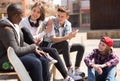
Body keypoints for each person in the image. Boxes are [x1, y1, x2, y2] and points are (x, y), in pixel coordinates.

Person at [19, 2, 74, 81]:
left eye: (38, 12)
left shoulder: (41, 22)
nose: (35, 14)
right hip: (28, 48)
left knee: (53, 51)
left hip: (38, 47)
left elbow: (44, 35)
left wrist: (42, 36)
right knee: (50, 53)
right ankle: (66, 76)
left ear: (41, 14)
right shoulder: (24, 22)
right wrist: (44, 33)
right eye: (34, 10)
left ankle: (66, 77)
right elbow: (29, 38)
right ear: (31, 10)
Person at [0, 3, 50, 81]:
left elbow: (21, 42)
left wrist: (35, 49)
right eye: (21, 15)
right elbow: (15, 51)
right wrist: (33, 47)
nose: (22, 18)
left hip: (14, 57)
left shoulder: (14, 24)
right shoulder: (6, 28)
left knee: (43, 59)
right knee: (35, 63)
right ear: (16, 15)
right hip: (6, 61)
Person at [42, 6, 85, 80]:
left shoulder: (68, 24)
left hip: (63, 46)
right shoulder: (52, 21)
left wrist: (68, 38)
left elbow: (68, 40)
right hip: (51, 47)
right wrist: (68, 37)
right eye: (58, 15)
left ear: (67, 17)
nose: (59, 18)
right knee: (65, 43)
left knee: (81, 46)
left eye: (62, 16)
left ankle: (77, 69)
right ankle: (69, 70)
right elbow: (54, 39)